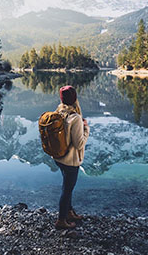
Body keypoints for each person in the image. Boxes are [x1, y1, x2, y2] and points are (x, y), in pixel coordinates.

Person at [54, 85, 90, 229]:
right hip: (70, 161)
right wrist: (86, 128)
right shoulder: (75, 117)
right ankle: (61, 220)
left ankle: (69, 212)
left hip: (59, 158)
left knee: (67, 187)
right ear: (74, 98)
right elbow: (79, 143)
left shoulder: (59, 112)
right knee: (67, 190)